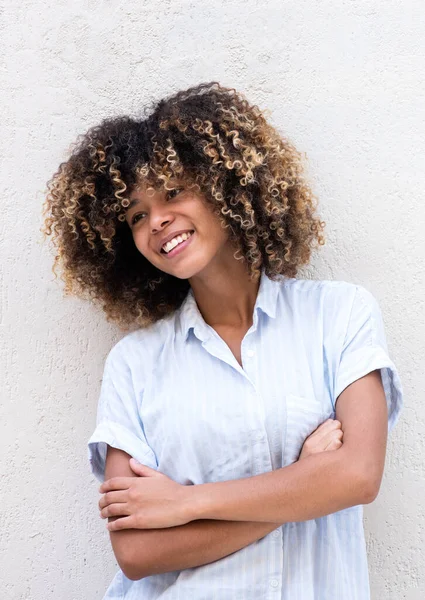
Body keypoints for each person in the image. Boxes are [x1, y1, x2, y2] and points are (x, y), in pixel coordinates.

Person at [41, 82, 403, 600]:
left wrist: (185, 504)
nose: (157, 221)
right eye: (136, 215)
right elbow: (137, 553)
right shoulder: (135, 364)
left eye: (172, 192)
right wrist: (303, 482)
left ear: (224, 185)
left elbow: (359, 476)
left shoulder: (339, 315)